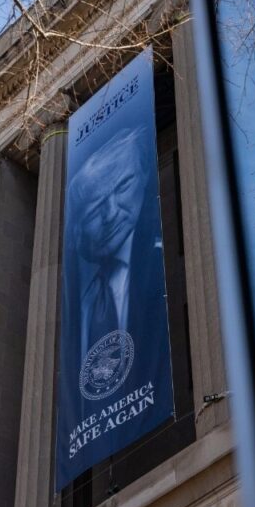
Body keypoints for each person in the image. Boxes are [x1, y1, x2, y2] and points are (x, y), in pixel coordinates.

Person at [65, 127, 167, 359]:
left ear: (144, 176)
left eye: (123, 187)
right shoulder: (81, 298)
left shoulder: (160, 259)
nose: (111, 214)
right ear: (76, 230)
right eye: (93, 210)